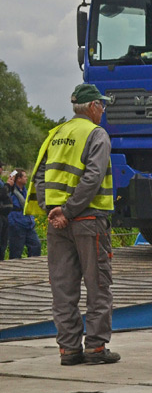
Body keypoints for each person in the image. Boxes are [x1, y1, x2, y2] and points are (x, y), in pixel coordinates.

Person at [25, 83, 119, 365]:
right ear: (92, 107)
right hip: (89, 221)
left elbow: (39, 176)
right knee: (98, 284)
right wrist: (68, 210)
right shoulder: (96, 134)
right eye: (101, 105)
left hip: (58, 226)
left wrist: (52, 211)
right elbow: (92, 177)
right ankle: (96, 348)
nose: (102, 110)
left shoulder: (55, 134)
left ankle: (68, 349)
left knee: (63, 288)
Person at [8, 170, 41, 258]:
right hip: (17, 224)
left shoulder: (26, 190)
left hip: (29, 224)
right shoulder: (10, 191)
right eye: (24, 176)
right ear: (18, 179)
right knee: (16, 251)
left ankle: (33, 267)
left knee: (36, 246)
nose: (26, 178)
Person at [0, 163, 11, 260]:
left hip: (4, 215)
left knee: (3, 243)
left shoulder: (1, 182)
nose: (2, 169)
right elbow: (2, 194)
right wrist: (7, 185)